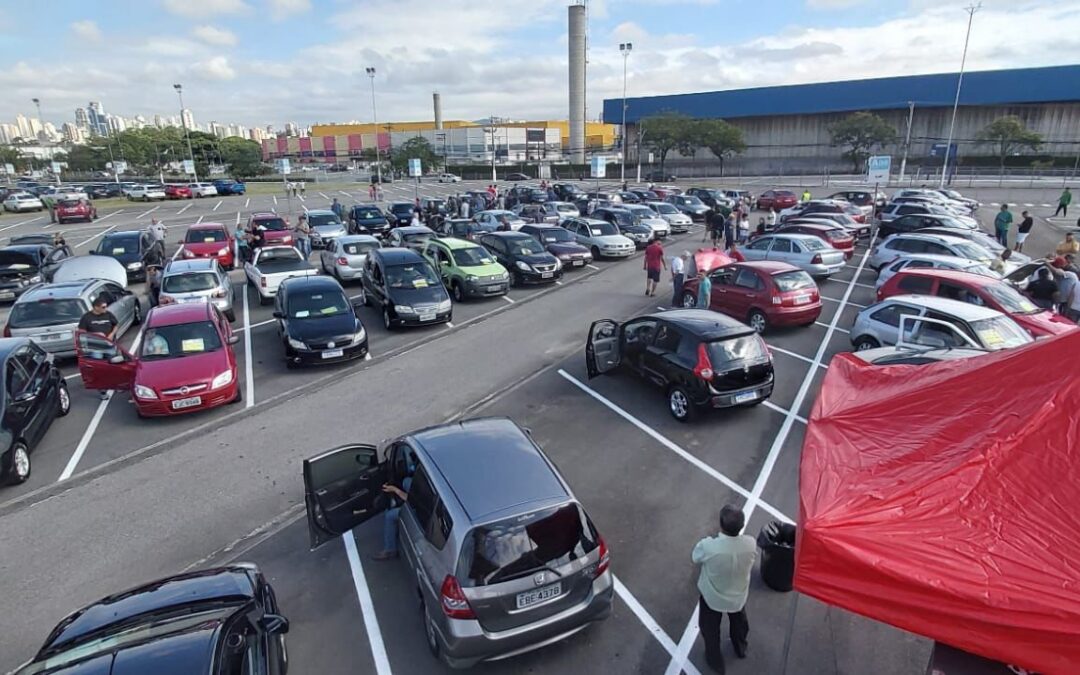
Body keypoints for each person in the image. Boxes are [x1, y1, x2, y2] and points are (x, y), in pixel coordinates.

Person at [692, 505, 756, 674]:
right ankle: (740, 647)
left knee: (710, 629)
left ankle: (715, 661)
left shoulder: (709, 546)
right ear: (741, 526)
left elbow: (695, 557)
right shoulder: (750, 543)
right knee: (739, 623)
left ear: (721, 524)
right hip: (738, 595)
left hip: (713, 597)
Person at [78, 297, 120, 400]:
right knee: (99, 368)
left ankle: (117, 384)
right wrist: (95, 334)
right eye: (103, 307)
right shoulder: (86, 318)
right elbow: (81, 332)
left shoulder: (108, 314)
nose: (105, 308)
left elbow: (116, 324)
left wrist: (112, 334)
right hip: (95, 347)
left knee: (115, 364)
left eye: (106, 306)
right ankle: (102, 390)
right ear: (96, 307)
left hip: (109, 345)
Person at [374, 464, 413, 561]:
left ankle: (390, 550)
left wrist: (395, 490)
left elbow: (412, 500)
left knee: (390, 516)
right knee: (406, 481)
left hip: (418, 509)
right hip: (422, 499)